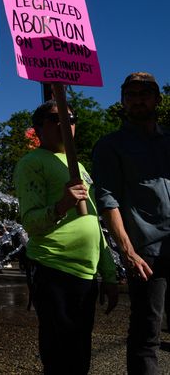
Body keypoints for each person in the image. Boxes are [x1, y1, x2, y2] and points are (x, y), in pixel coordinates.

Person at [15, 100, 118, 375]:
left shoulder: (79, 166)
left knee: (80, 352)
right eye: (56, 118)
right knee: (60, 354)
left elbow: (93, 223)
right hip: (53, 267)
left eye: (71, 118)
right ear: (38, 128)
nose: (66, 123)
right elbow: (31, 223)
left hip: (86, 273)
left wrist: (108, 272)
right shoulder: (32, 163)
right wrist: (61, 205)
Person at [92, 72, 170, 374]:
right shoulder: (112, 145)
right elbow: (108, 200)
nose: (138, 99)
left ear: (157, 99)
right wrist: (128, 251)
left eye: (145, 93)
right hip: (145, 253)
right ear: (123, 101)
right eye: (131, 94)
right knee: (146, 334)